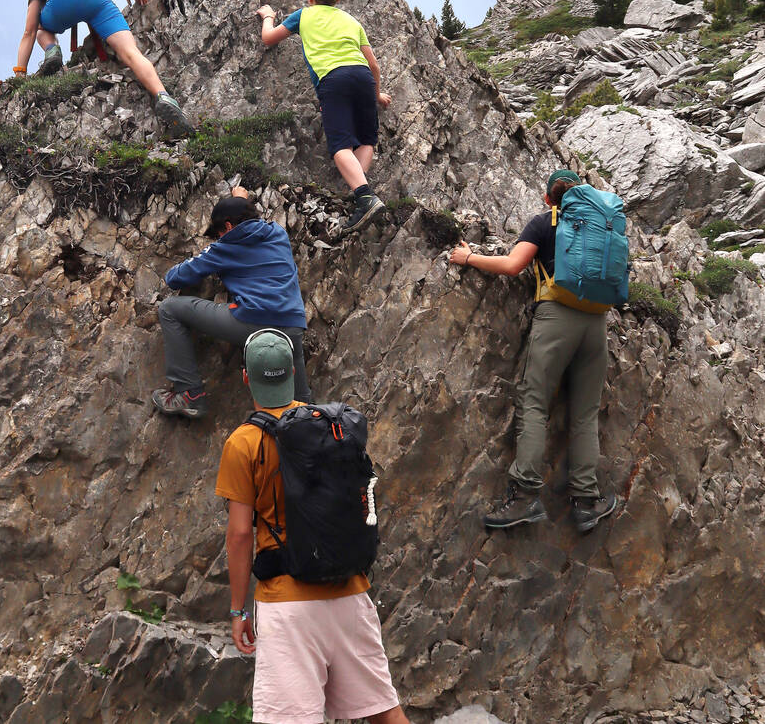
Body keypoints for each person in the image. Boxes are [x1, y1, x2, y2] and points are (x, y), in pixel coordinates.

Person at [215, 329, 410, 724]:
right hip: (350, 594)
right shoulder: (330, 428)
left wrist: (238, 610)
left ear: (246, 378)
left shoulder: (243, 442)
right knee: (384, 713)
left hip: (289, 605)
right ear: (292, 372)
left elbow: (239, 535)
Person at [448, 169, 620, 534]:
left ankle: (525, 495)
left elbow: (512, 265)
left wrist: (468, 257)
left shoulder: (545, 223)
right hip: (596, 322)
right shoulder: (600, 225)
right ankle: (586, 503)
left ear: (548, 198)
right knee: (585, 414)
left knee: (534, 403)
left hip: (557, 317)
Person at [152, 189, 310, 418]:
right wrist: (241, 201)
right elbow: (246, 227)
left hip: (252, 322)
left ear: (226, 227)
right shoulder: (277, 233)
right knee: (302, 409)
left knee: (169, 309)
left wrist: (211, 253)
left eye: (217, 233)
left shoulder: (224, 247)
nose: (217, 238)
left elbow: (174, 278)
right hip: (293, 326)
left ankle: (190, 395)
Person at [257, 0, 391, 234]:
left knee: (341, 144)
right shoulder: (352, 21)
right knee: (366, 140)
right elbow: (373, 64)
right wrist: (376, 95)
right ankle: (360, 196)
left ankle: (365, 197)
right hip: (363, 76)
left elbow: (268, 39)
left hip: (333, 78)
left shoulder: (303, 15)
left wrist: (269, 17)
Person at [16, 0, 193, 139]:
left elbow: (28, 33)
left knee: (40, 29)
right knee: (131, 52)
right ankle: (163, 96)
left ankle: (52, 49)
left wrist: (20, 74)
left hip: (60, 5)